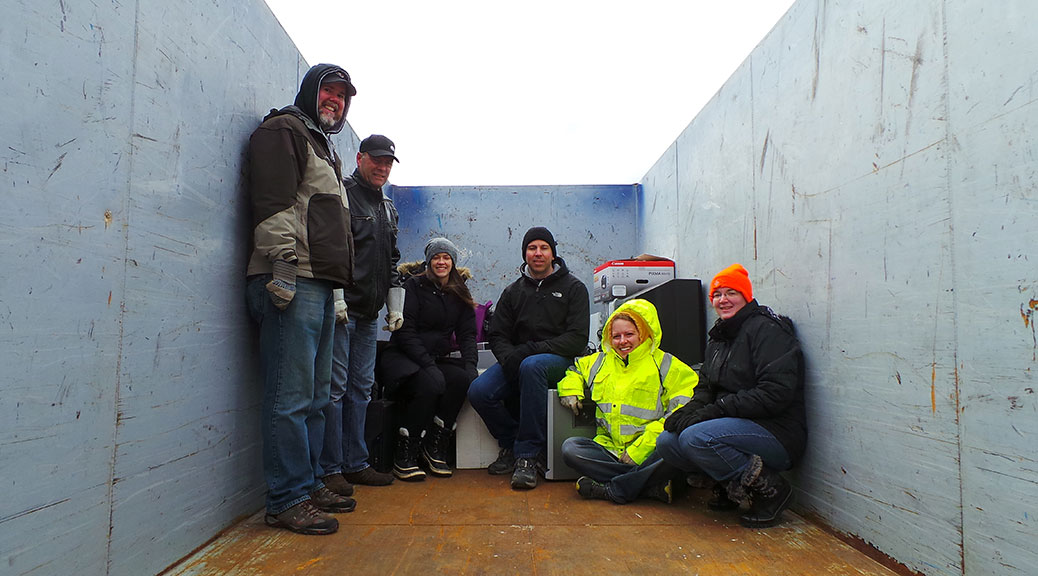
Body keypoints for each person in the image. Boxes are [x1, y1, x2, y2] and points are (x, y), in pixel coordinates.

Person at [245, 63, 358, 535]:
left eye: (343, 96)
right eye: (329, 91)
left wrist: (335, 293)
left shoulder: (321, 145)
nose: (335, 100)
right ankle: (286, 498)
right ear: (311, 91)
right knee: (289, 399)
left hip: (320, 284)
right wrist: (285, 271)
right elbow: (273, 203)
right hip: (291, 279)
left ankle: (309, 483)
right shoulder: (283, 130)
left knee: (314, 398)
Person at [656, 263, 806, 528]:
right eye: (717, 294)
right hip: (735, 424)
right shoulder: (720, 336)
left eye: (731, 293)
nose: (722, 300)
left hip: (776, 432)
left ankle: (772, 490)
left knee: (696, 437)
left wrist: (714, 411)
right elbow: (706, 387)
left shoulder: (767, 330)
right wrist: (690, 411)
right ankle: (730, 487)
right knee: (669, 441)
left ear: (746, 296)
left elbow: (775, 393)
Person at [467, 226, 590, 490]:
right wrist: (509, 357)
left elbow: (577, 339)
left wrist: (530, 351)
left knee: (533, 366)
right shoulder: (513, 292)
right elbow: (498, 334)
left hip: (561, 361)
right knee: (479, 391)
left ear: (553, 254)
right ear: (525, 254)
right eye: (532, 248)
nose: (538, 253)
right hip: (521, 360)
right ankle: (512, 443)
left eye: (544, 248)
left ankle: (527, 456)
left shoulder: (574, 288)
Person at [320, 134, 403, 491]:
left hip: (369, 315)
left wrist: (394, 305)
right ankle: (330, 468)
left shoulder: (387, 209)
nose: (382, 167)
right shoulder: (343, 193)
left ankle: (356, 462)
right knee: (334, 389)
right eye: (377, 160)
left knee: (361, 389)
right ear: (360, 158)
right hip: (342, 310)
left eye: (388, 163)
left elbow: (393, 261)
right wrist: (336, 295)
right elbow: (331, 247)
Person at [558, 299, 699, 504]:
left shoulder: (666, 364)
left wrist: (639, 449)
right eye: (616, 336)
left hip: (651, 449)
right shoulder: (599, 361)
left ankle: (618, 489)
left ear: (643, 333)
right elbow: (575, 370)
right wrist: (570, 390)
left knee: (677, 446)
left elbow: (682, 411)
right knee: (571, 449)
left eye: (629, 334)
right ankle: (648, 485)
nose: (622, 341)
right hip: (610, 450)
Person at [377, 237, 479, 481]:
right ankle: (406, 451)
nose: (441, 262)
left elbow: (467, 334)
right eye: (436, 257)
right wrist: (428, 364)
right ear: (428, 261)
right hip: (403, 356)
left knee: (460, 379)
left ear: (453, 262)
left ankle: (435, 445)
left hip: (432, 359)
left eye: (446, 258)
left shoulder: (459, 290)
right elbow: (405, 331)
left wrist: (471, 366)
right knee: (430, 383)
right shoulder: (413, 286)